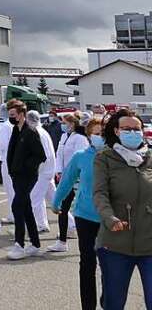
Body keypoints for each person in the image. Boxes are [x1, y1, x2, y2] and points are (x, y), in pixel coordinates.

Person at [93, 109, 152, 310]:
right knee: (113, 302)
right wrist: (110, 218)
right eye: (127, 129)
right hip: (115, 244)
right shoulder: (105, 158)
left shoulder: (150, 158)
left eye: (137, 129)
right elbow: (100, 194)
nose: (133, 132)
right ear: (117, 131)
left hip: (150, 243)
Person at [53, 117, 104, 310]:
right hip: (85, 216)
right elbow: (67, 180)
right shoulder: (81, 156)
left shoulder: (114, 156)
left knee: (110, 266)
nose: (100, 137)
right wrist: (57, 201)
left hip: (109, 219)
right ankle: (88, 306)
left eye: (103, 134)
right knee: (88, 264)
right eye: (96, 134)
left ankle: (108, 301)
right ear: (89, 136)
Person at [6, 99, 46, 259]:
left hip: (27, 176)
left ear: (22, 114)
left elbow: (40, 155)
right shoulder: (16, 130)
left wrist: (25, 166)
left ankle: (19, 244)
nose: (10, 117)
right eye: (9, 114)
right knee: (26, 208)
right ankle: (35, 244)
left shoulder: (30, 132)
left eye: (13, 114)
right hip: (16, 176)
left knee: (17, 206)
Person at [50, 112, 88, 252]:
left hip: (76, 179)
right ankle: (62, 241)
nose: (62, 125)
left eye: (65, 123)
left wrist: (73, 175)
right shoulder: (64, 136)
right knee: (63, 209)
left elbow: (79, 159)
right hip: (65, 178)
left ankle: (87, 240)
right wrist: (59, 171)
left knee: (79, 210)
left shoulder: (79, 138)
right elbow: (59, 155)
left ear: (72, 124)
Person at [30, 110, 57, 233]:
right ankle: (42, 224)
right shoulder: (42, 132)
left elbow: (42, 155)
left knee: (34, 200)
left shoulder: (38, 133)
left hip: (43, 172)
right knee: (55, 201)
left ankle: (32, 226)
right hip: (47, 171)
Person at [0, 111, 17, 225]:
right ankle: (13, 214)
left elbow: (4, 144)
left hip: (6, 160)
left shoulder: (5, 126)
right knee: (14, 189)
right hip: (14, 160)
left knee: (10, 190)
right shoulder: (13, 125)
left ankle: (13, 215)